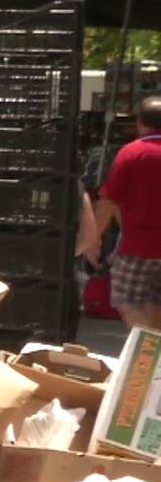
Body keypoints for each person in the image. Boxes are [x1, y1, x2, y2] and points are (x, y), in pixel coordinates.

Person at [86, 95, 161, 329]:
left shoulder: (131, 153)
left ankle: (145, 352)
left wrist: (92, 238)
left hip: (137, 248)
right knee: (155, 303)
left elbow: (108, 201)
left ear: (140, 123)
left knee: (128, 301)